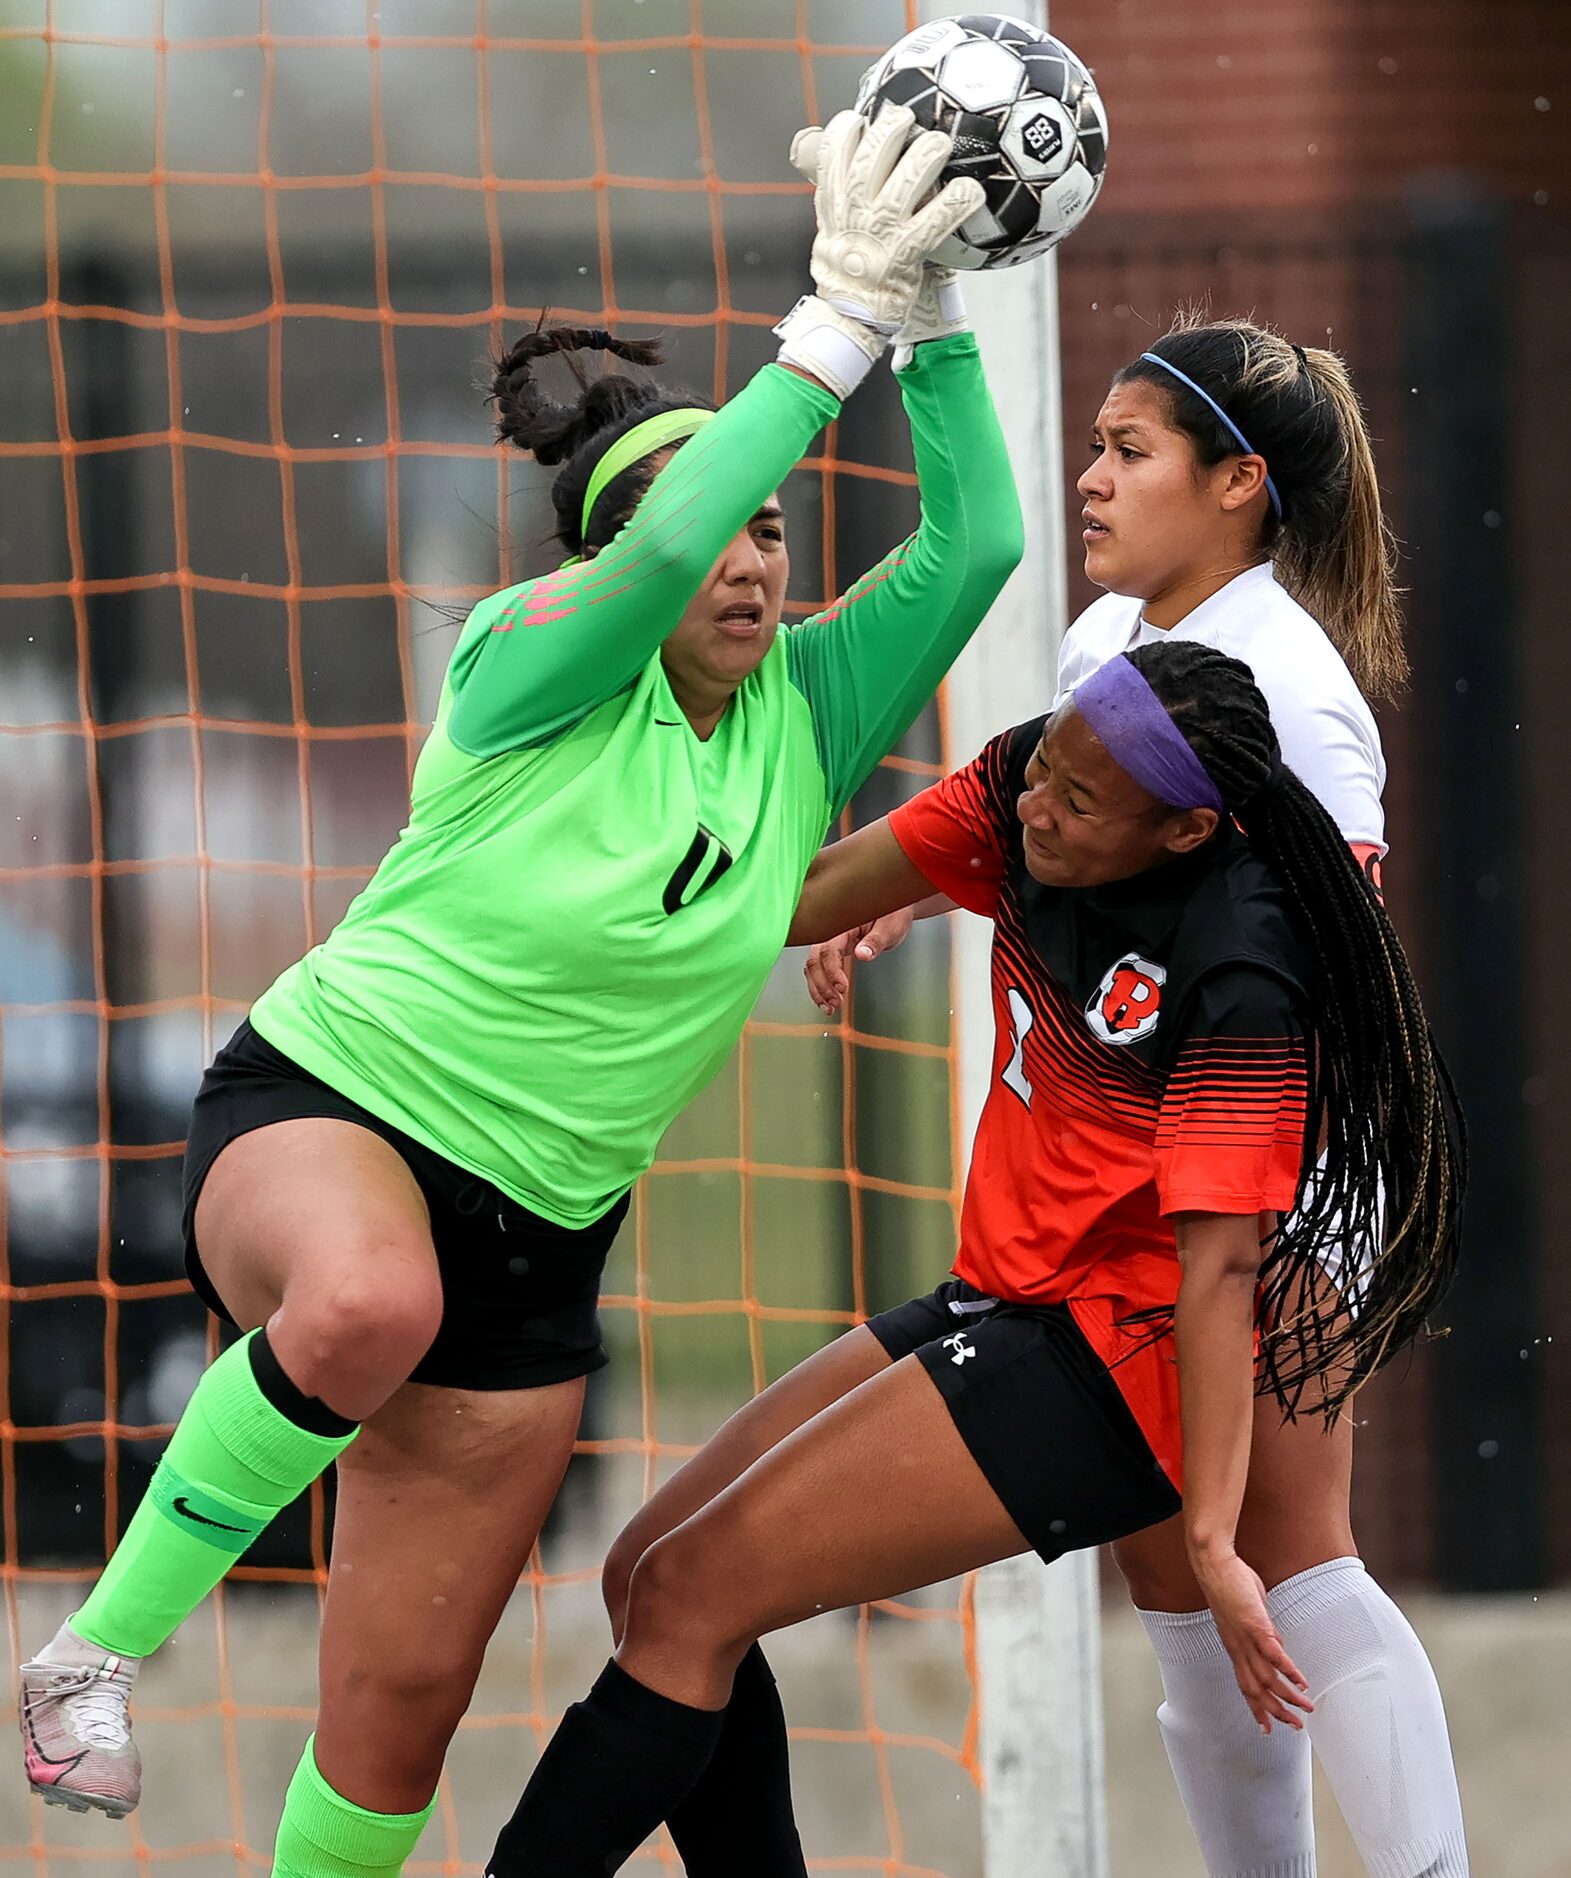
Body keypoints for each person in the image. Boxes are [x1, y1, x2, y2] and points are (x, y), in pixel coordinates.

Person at [16, 106, 1023, 1878]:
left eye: (771, 529)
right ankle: (91, 1655)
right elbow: (644, 553)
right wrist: (828, 323)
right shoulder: (526, 660)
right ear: (602, 562)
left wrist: (929, 314)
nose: (745, 559)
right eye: (711, 530)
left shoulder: (797, 707)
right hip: (331, 1111)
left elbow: (978, 550)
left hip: (542, 1242)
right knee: (359, 1301)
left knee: (396, 1719)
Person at [481, 636, 1466, 1878]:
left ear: (1182, 832)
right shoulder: (1024, 788)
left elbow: (1219, 1275)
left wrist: (1214, 1538)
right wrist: (616, 815)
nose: (1035, 808)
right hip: (1003, 1299)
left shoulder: (1244, 966)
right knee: (647, 1576)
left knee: (690, 1597)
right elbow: (786, 903)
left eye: (1076, 801)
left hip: (1115, 1362)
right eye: (1041, 772)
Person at [805, 315, 1472, 1877]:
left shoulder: (1294, 697)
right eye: (1093, 445)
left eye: (1127, 451)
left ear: (1237, 485)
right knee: (1172, 1569)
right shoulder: (1106, 650)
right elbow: (1092, 877)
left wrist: (1270, 1227)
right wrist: (935, 885)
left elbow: (1306, 975)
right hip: (1137, 1169)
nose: (1091, 482)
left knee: (1287, 1554)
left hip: (1277, 1176)